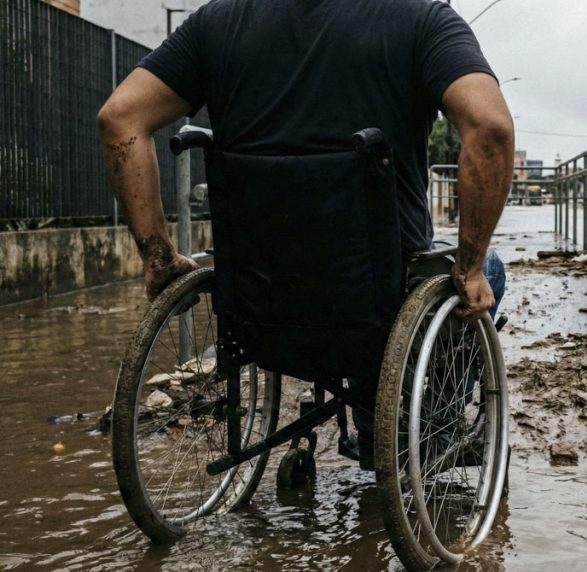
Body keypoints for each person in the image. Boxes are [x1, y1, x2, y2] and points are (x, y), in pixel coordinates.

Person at [97, 0, 514, 468]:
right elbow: (491, 128)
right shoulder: (421, 18)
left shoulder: (217, 22)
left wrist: (159, 256)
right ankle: (425, 421)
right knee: (488, 270)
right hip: (377, 298)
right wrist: (471, 265)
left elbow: (119, 118)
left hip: (260, 295)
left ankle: (378, 417)